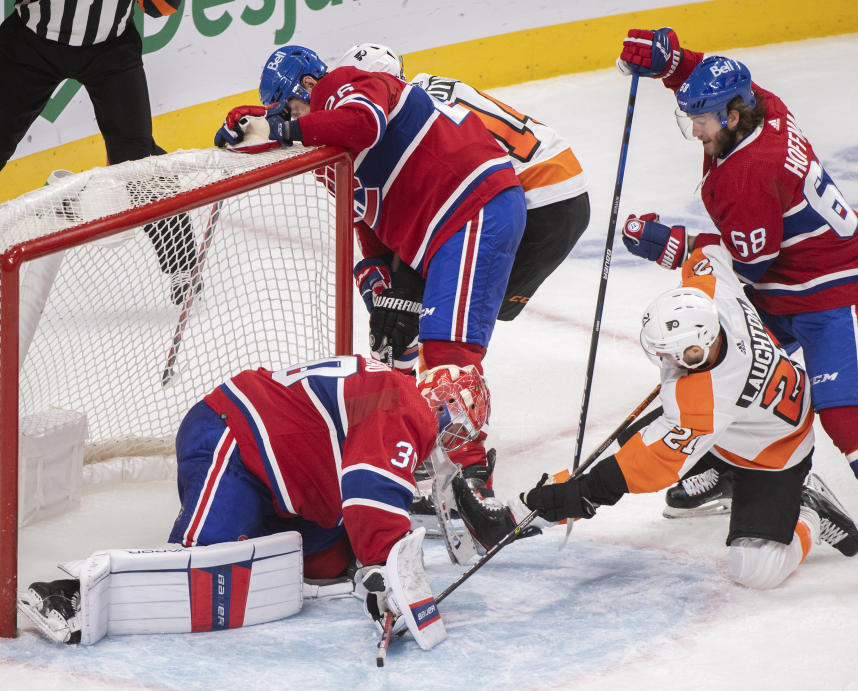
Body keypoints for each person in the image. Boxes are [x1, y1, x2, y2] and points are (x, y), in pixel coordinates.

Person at [613, 27, 858, 596]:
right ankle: (731, 462)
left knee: (851, 423)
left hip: (836, 290)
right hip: (789, 278)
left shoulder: (747, 173)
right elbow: (710, 78)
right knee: (718, 365)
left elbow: (750, 264)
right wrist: (672, 62)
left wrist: (669, 245)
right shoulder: (761, 106)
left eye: (702, 121)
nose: (694, 130)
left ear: (734, 119)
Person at [458, 243, 858, 591]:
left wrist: (553, 502)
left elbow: (639, 471)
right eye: (665, 353)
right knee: (634, 440)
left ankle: (809, 505)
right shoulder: (712, 296)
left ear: (706, 341)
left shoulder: (705, 400)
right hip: (741, 423)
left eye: (683, 355)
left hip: (775, 452)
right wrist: (666, 243)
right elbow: (707, 253)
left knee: (756, 571)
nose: (672, 361)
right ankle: (721, 476)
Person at [18, 354, 491, 648]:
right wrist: (392, 573)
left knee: (325, 566)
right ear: (443, 407)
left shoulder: (391, 392)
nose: (447, 443)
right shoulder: (405, 404)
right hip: (235, 437)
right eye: (455, 429)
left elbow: (355, 489)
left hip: (283, 480)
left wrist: (372, 565)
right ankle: (70, 594)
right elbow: (370, 497)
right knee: (203, 569)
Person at [214, 45, 527, 485]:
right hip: (431, 235)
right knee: (392, 342)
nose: (289, 121)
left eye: (288, 108)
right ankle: (413, 448)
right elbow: (365, 208)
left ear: (308, 85)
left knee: (448, 358)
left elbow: (363, 124)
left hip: (472, 205)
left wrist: (285, 127)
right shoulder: (324, 145)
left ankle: (472, 480)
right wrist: (377, 270)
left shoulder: (346, 83)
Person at [332, 42, 591, 322]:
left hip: (536, 203)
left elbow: (425, 210)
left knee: (430, 309)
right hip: (564, 189)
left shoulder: (411, 121)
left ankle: (433, 362)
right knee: (447, 307)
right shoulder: (427, 88)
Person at [0, 0, 199, 304]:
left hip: (110, 46)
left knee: (136, 159)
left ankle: (182, 264)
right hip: (31, 42)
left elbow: (161, 7)